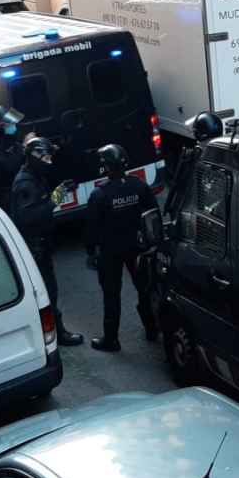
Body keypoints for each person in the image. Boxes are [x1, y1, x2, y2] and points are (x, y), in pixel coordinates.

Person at [11, 136, 86, 346]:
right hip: (35, 246)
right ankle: (56, 334)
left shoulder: (34, 176)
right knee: (46, 292)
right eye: (45, 158)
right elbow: (30, 216)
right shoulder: (25, 184)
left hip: (40, 243)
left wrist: (61, 188)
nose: (48, 162)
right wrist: (57, 196)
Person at [85, 143, 159, 352]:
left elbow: (91, 229)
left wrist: (91, 253)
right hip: (137, 248)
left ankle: (111, 339)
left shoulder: (100, 195)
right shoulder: (139, 186)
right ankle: (152, 328)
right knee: (144, 288)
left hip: (110, 252)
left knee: (111, 295)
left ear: (105, 167)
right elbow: (153, 215)